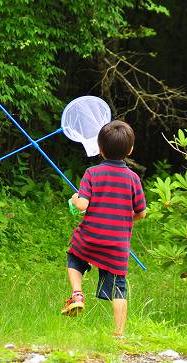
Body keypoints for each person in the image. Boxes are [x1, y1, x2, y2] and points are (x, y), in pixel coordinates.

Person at [61, 120, 146, 337]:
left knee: (74, 257)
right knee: (119, 285)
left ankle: (78, 294)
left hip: (90, 238)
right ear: (130, 150)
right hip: (117, 244)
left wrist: (74, 198)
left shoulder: (92, 173)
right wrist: (126, 218)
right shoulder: (133, 179)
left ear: (100, 148)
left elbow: (81, 205)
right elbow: (141, 213)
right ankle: (118, 334)